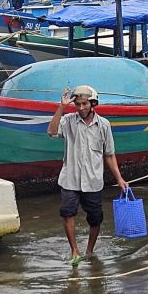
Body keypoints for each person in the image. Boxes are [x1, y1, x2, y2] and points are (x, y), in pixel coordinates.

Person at [47, 85, 128, 266]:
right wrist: (61, 107)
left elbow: (109, 154)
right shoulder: (68, 121)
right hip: (70, 179)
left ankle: (89, 250)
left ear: (93, 103)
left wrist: (119, 178)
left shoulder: (104, 125)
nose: (81, 108)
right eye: (78, 104)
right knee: (67, 213)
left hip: (93, 181)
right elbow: (51, 132)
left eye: (84, 104)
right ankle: (74, 250)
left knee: (95, 218)